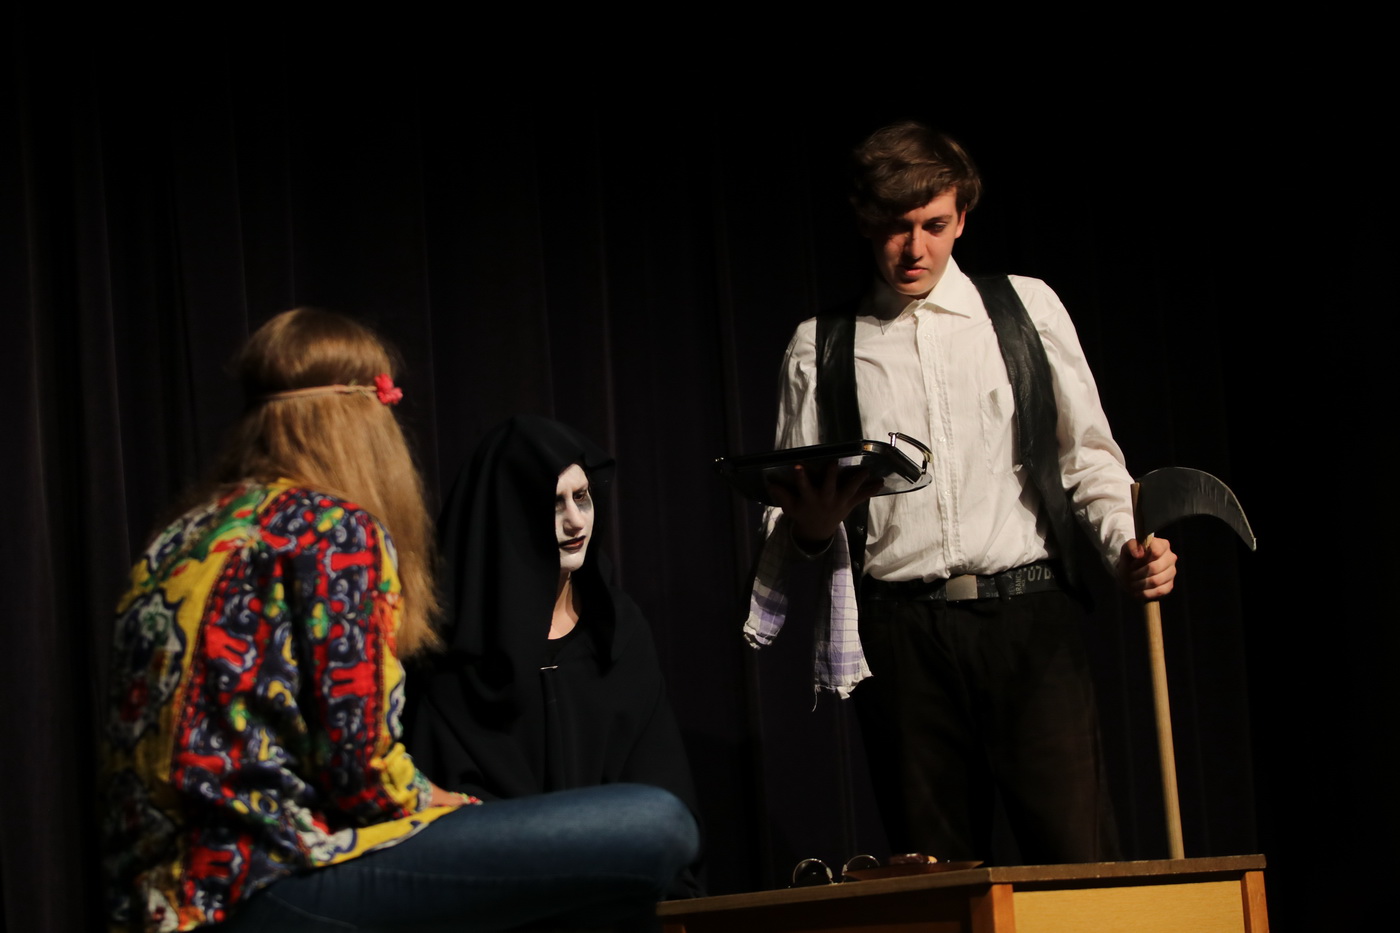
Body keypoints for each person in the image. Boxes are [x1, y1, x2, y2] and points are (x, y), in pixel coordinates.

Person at [100, 309, 698, 933]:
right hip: (266, 887)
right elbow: (363, 778)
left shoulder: (181, 538)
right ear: (360, 418)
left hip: (153, 903)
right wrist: (462, 811)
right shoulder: (335, 533)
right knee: (657, 824)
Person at [745, 122, 1177, 865]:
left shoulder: (1024, 310)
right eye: (896, 226)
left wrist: (1125, 548)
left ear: (963, 217)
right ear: (864, 222)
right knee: (938, 875)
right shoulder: (822, 345)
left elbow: (1088, 458)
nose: (915, 248)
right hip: (902, 636)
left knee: (1078, 865)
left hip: (1028, 618)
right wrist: (810, 529)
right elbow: (785, 518)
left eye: (934, 225)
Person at [406, 415, 702, 897]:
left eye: (581, 497)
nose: (575, 520)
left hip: (619, 892)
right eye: (553, 503)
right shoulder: (453, 653)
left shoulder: (617, 633)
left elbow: (663, 791)